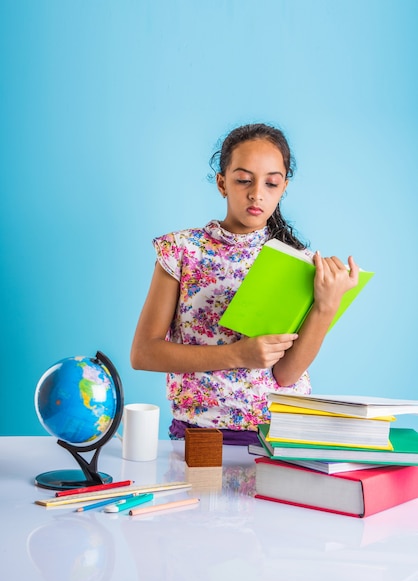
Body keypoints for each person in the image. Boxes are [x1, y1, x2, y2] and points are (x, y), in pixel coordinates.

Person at [130, 123, 359, 445]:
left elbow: (286, 375)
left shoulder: (299, 264)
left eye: (271, 183)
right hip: (201, 431)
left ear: (284, 188)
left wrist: (326, 305)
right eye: (243, 180)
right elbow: (144, 353)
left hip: (281, 432)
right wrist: (237, 355)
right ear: (222, 183)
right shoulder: (181, 250)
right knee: (199, 496)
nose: (257, 193)